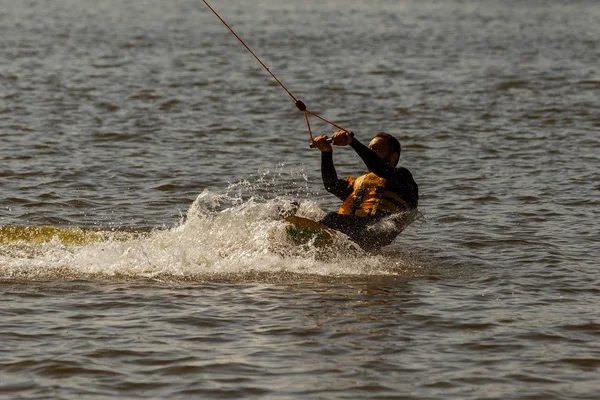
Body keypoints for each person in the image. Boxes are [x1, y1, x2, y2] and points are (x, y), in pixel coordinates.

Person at [311, 129, 418, 250]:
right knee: (295, 207)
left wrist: (353, 142)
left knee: (332, 218)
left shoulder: (402, 177)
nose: (370, 151)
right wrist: (326, 152)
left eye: (376, 149)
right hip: (355, 230)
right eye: (369, 148)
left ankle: (313, 239)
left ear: (393, 156)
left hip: (376, 230)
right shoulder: (361, 183)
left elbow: (379, 167)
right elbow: (331, 184)